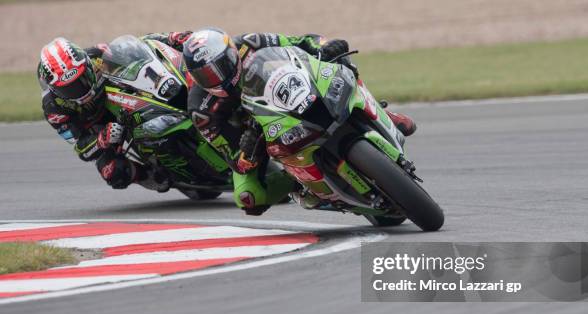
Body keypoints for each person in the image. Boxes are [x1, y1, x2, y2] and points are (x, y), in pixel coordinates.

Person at [182, 28, 417, 215]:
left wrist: (325, 46)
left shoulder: (251, 42)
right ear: (196, 77)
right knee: (249, 198)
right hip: (258, 137)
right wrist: (247, 149)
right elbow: (235, 161)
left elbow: (303, 41)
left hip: (287, 96)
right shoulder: (202, 111)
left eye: (221, 66)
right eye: (207, 74)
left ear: (231, 52)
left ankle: (380, 114)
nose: (218, 76)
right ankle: (302, 187)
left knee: (341, 63)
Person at [37, 32, 192, 191]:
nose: (81, 88)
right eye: (70, 89)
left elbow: (139, 45)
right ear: (55, 90)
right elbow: (82, 149)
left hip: (120, 99)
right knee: (112, 171)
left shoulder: (96, 55)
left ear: (87, 65)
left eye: (83, 77)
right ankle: (148, 174)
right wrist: (101, 139)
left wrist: (170, 38)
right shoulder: (54, 110)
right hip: (99, 126)